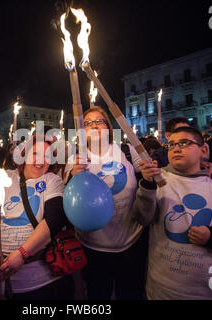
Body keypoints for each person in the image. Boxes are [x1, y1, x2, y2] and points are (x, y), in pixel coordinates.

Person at [131, 126, 212, 299]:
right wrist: (148, 186)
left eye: (184, 143)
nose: (176, 148)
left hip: (211, 289)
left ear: (203, 150)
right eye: (171, 144)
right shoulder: (159, 180)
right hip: (163, 287)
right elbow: (142, 218)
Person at [0, 136, 74, 300]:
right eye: (35, 153)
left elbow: (54, 219)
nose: (40, 161)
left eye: (47, 156)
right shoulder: (3, 177)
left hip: (34, 282)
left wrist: (21, 253)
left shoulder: (52, 180)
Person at [65, 106, 146, 300]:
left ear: (108, 127)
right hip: (93, 247)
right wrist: (73, 176)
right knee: (97, 295)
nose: (94, 125)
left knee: (131, 294)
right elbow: (68, 196)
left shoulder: (127, 151)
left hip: (131, 242)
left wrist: (204, 164)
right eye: (88, 123)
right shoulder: (75, 159)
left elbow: (155, 175)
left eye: (99, 121)